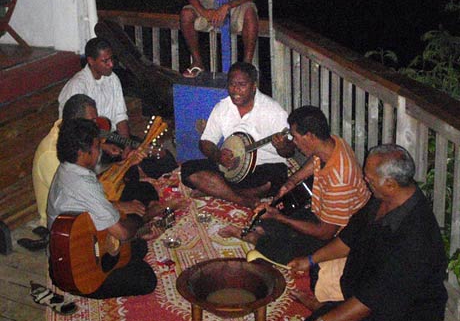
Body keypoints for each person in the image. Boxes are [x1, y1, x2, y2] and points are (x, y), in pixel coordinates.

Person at [288, 144, 448, 321]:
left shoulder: (415, 236)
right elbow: (349, 237)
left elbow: (374, 298)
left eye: (369, 179)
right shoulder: (382, 198)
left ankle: (329, 310)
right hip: (368, 284)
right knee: (317, 267)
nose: (365, 181)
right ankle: (331, 308)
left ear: (390, 184)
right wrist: (310, 260)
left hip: (404, 309)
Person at [220, 106, 370, 269]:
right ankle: (265, 230)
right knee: (279, 209)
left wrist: (280, 218)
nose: (294, 142)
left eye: (296, 137)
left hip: (338, 232)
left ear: (310, 136)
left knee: (280, 247)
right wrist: (290, 182)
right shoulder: (332, 142)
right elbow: (315, 160)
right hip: (320, 210)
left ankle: (255, 238)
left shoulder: (340, 178)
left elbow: (326, 231)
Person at [47, 118, 157, 299]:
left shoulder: (66, 170)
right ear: (83, 152)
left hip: (61, 260)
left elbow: (89, 205)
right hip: (80, 276)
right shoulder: (83, 183)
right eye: (97, 146)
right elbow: (122, 233)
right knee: (146, 278)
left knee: (137, 247)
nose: (100, 151)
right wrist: (143, 219)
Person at [58, 37, 177, 177]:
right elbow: (71, 132)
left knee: (163, 157)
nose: (111, 64)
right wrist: (102, 146)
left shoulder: (112, 78)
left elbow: (120, 116)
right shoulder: (77, 86)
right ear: (91, 61)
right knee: (127, 171)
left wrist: (126, 145)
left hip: (111, 137)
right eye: (105, 61)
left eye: (111, 59)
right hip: (87, 145)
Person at [180, 62, 295, 207]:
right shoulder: (223, 107)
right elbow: (206, 142)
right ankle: (241, 198)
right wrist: (218, 156)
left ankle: (217, 190)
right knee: (188, 170)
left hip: (263, 167)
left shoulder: (273, 110)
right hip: (231, 167)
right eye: (232, 84)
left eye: (242, 84)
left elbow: (289, 151)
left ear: (254, 86)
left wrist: (282, 146)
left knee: (276, 180)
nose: (236, 90)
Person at [32, 94, 124, 229]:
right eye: (91, 121)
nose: (96, 126)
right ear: (77, 122)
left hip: (84, 203)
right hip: (67, 228)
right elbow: (81, 191)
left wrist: (104, 149)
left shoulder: (72, 141)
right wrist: (117, 206)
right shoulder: (51, 153)